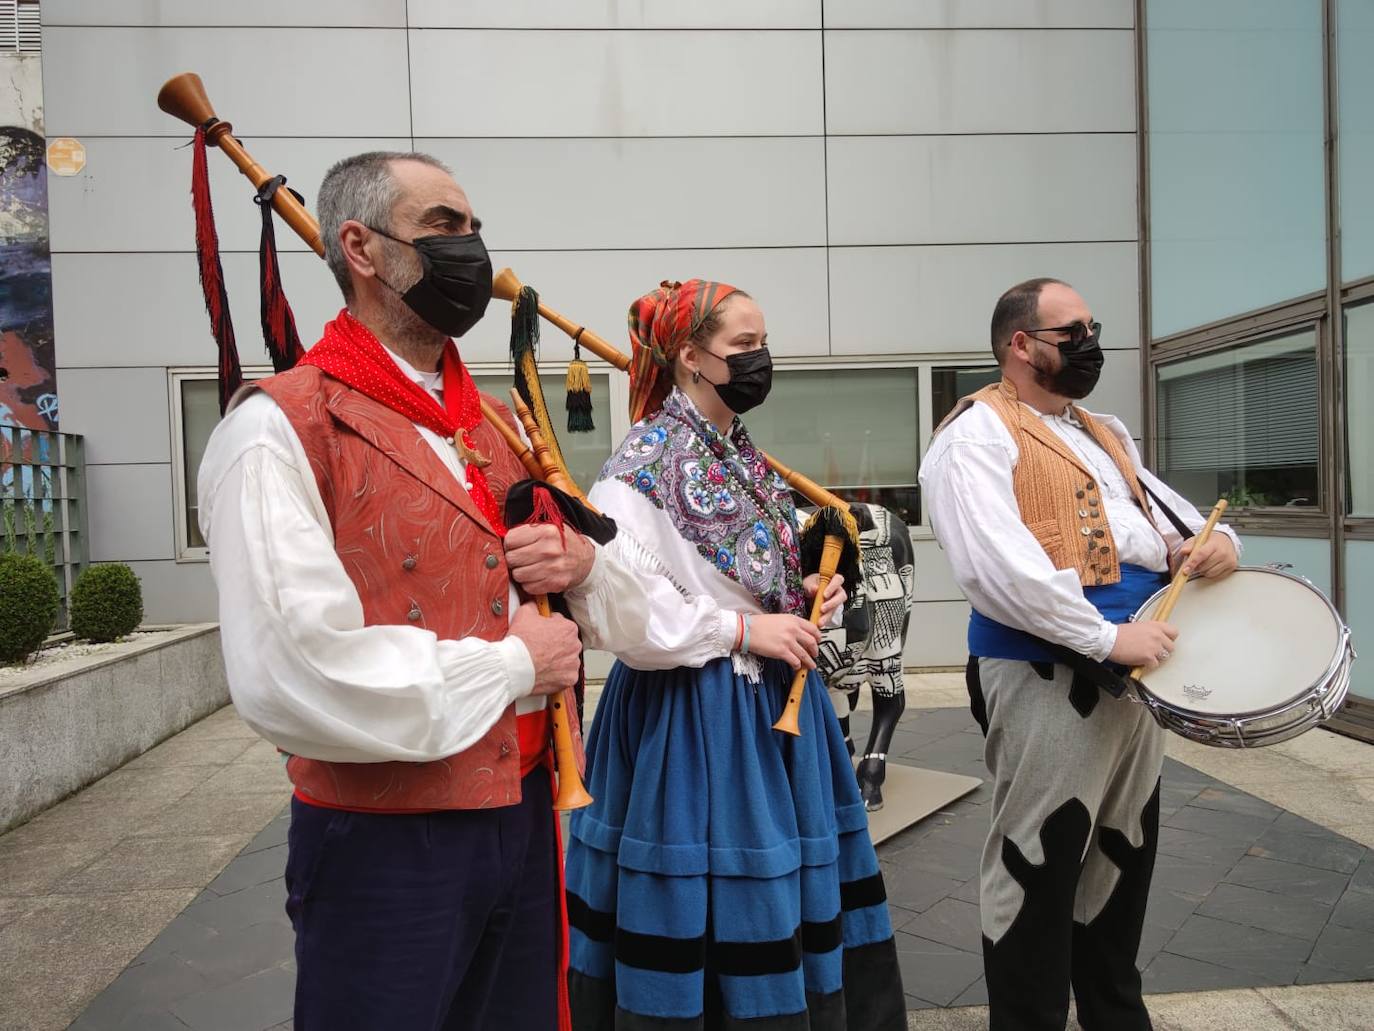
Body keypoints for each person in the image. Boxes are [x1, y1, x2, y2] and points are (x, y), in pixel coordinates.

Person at [198, 151, 661, 1030]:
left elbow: (623, 611)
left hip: (526, 815)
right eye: (444, 227)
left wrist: (584, 566)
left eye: (475, 228)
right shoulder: (278, 428)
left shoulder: (489, 422)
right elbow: (293, 673)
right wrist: (513, 666)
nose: (472, 249)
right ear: (361, 250)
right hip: (383, 845)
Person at [561, 279, 907, 1030]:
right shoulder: (641, 464)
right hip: (692, 719)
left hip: (777, 708)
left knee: (787, 891)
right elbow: (620, 608)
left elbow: (751, 579)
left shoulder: (740, 453)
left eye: (762, 341)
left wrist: (807, 591)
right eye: (743, 345)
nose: (761, 358)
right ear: (690, 355)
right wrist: (745, 632)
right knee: (718, 897)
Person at [919, 278, 1241, 1030]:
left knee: (1120, 857)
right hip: (1048, 669)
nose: (1090, 343)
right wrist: (1104, 636)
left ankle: (1114, 1016)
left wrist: (1213, 543)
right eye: (1073, 332)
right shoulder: (975, 434)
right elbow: (999, 571)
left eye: (1092, 327)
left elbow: (1168, 522)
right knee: (1038, 858)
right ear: (1020, 345)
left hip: (1137, 665)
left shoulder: (1102, 431)